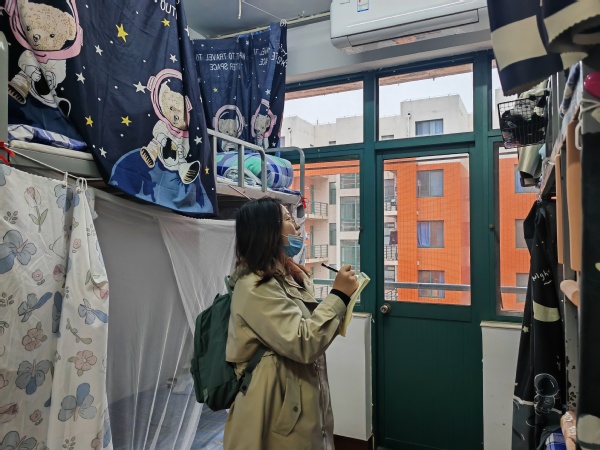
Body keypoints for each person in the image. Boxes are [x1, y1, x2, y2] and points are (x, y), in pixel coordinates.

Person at [223, 197, 359, 450]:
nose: (296, 226)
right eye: (287, 218)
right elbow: (304, 343)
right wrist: (339, 295)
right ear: (267, 231)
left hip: (299, 400)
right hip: (272, 408)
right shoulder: (254, 287)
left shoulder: (290, 277)